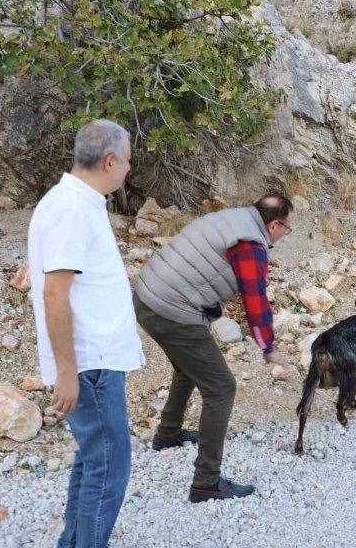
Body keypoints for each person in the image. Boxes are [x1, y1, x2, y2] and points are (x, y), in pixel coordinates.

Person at [28, 119, 145, 547]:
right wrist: (66, 371)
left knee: (94, 462)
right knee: (110, 466)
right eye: (128, 161)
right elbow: (54, 293)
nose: (129, 169)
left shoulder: (79, 203)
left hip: (95, 362)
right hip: (90, 365)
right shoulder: (71, 208)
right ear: (110, 160)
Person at [133, 194, 292, 502]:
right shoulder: (250, 244)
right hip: (171, 308)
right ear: (274, 224)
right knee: (221, 387)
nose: (286, 234)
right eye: (287, 228)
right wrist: (267, 346)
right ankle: (206, 481)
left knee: (189, 365)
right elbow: (255, 300)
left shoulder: (234, 217)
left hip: (147, 295)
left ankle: (168, 433)